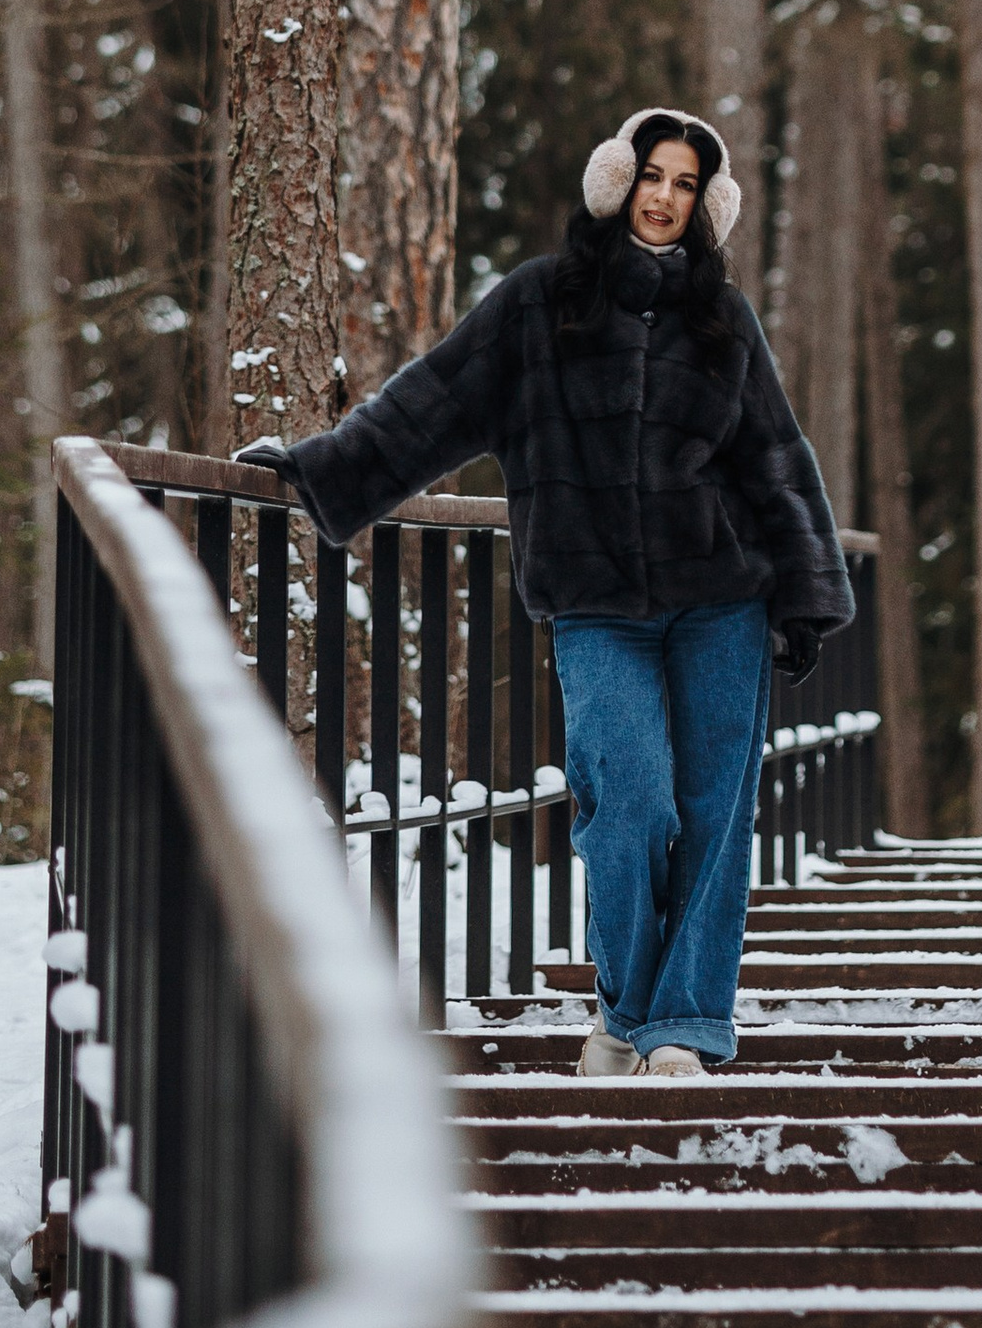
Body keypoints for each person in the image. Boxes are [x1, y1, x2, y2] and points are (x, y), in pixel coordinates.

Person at [240, 107, 852, 1078]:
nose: (664, 197)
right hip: (596, 604)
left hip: (720, 599)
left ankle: (683, 1031)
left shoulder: (719, 318)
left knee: (712, 816)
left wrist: (807, 587)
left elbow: (772, 454)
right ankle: (624, 1013)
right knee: (630, 805)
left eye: (686, 185)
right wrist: (324, 468)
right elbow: (433, 402)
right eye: (653, 175)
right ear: (619, 180)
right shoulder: (540, 304)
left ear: (706, 205)